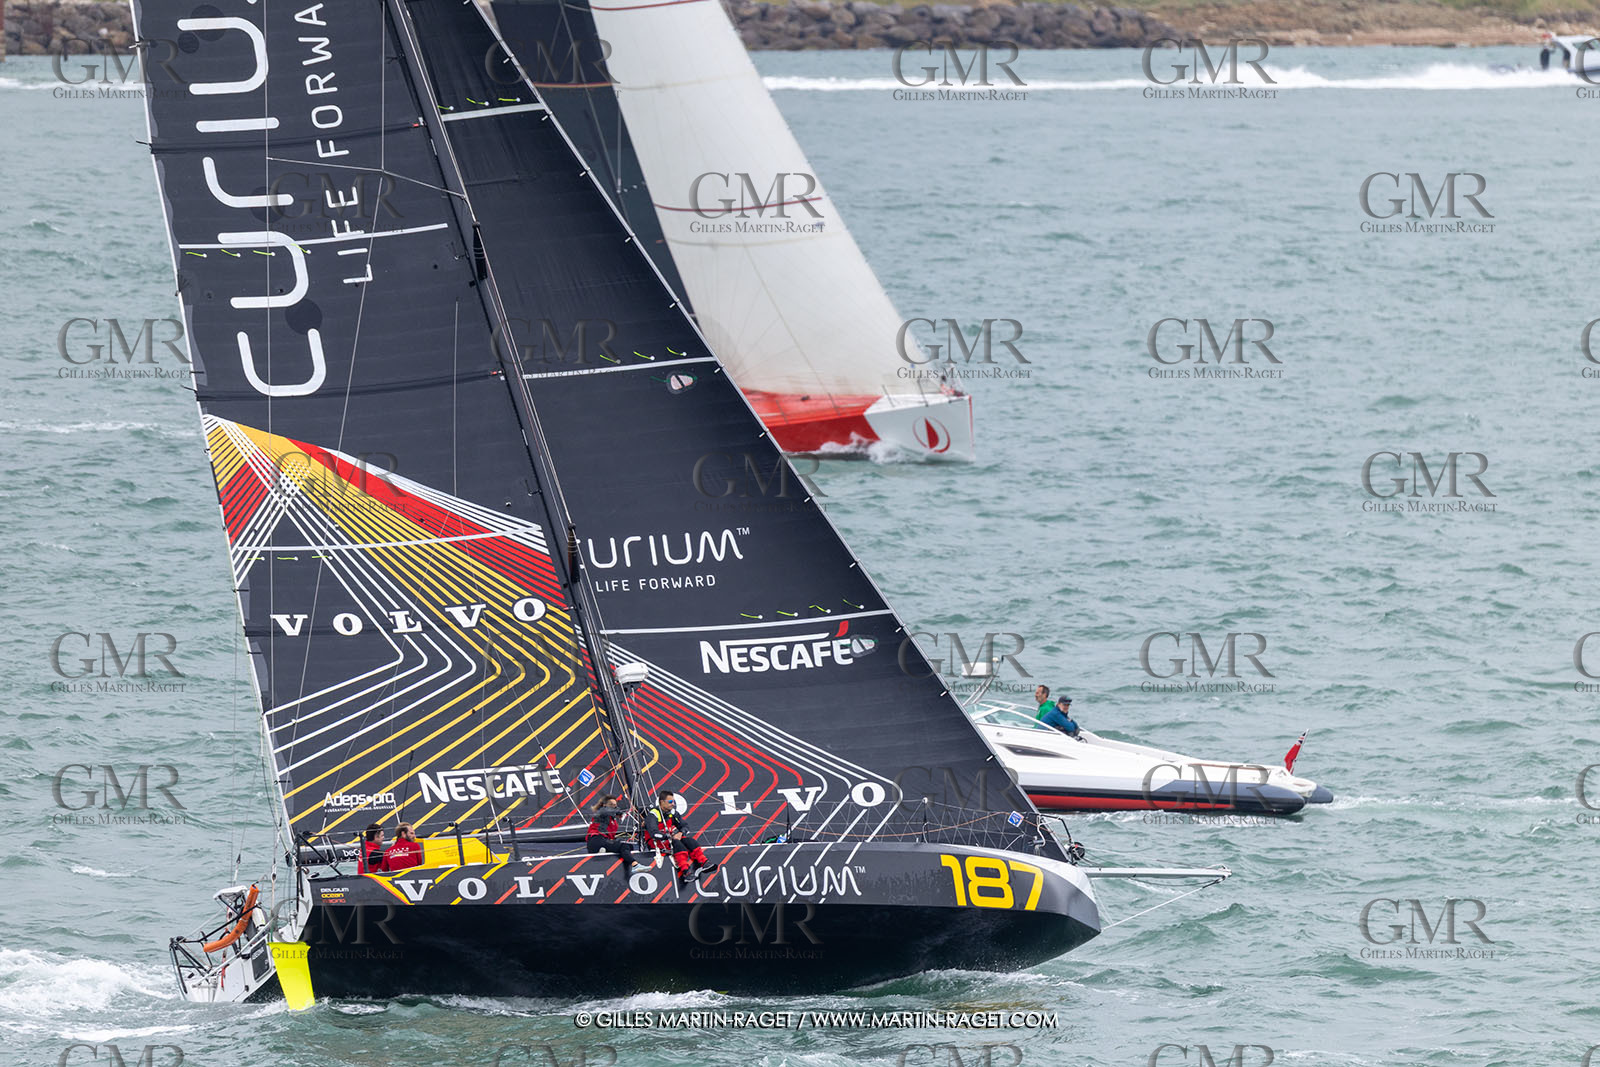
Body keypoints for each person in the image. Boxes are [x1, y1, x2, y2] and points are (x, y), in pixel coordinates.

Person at [644, 789, 718, 887]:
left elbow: (685, 826)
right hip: (656, 842)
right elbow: (654, 833)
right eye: (670, 802)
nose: (673, 804)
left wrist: (680, 833)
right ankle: (686, 872)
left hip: (669, 840)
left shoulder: (672, 812)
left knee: (690, 841)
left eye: (674, 801)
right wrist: (668, 836)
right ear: (662, 802)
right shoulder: (653, 814)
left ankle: (704, 862)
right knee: (677, 843)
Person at [586, 794, 637, 875]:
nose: (614, 807)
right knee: (623, 846)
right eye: (611, 804)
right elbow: (608, 811)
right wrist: (627, 809)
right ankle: (635, 865)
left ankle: (602, 851)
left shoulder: (612, 819)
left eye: (615, 805)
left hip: (603, 841)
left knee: (628, 846)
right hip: (596, 840)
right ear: (604, 805)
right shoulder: (601, 812)